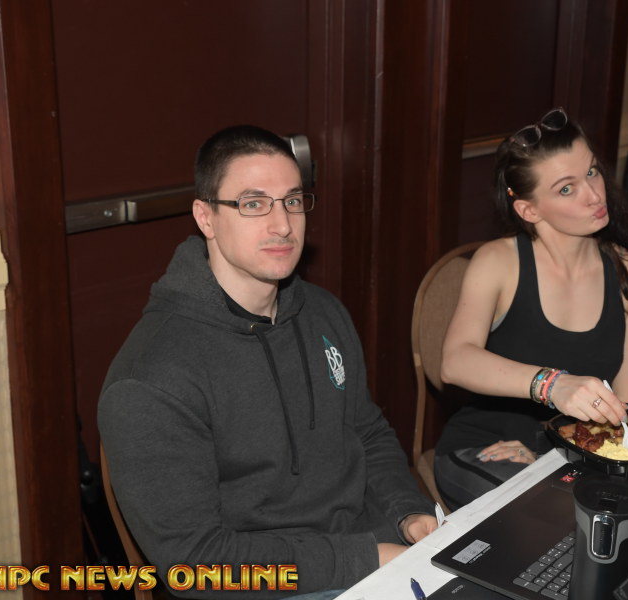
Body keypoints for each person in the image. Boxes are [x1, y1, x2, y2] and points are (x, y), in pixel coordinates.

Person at [98, 125, 437, 599]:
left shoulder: (322, 311)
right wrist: (365, 558)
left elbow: (366, 431)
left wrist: (408, 511)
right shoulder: (151, 379)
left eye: (292, 201)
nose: (282, 225)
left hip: (370, 548)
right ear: (206, 217)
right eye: (253, 204)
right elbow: (196, 563)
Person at [433, 108, 628, 511]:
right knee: (558, 517)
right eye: (566, 189)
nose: (595, 195)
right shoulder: (499, 262)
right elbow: (455, 361)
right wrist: (553, 385)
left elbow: (626, 407)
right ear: (529, 210)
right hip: (486, 446)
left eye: (591, 172)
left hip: (576, 454)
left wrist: (553, 459)